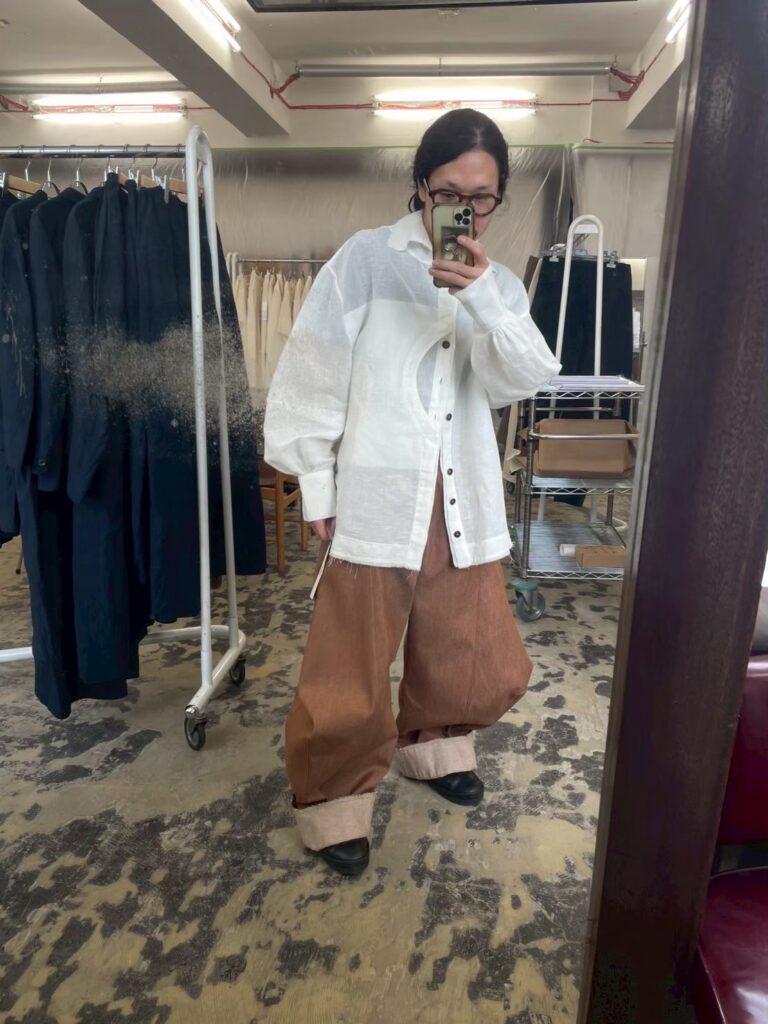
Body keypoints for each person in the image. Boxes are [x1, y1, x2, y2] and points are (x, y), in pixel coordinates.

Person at [264, 109, 562, 878]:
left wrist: (482, 296)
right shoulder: (365, 261)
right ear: (420, 187)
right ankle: (333, 798)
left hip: (463, 493)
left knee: (467, 644)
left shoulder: (498, 284)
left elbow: (525, 378)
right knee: (350, 659)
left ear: (499, 199)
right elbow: (313, 374)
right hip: (375, 490)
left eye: (482, 196)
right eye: (449, 192)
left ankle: (436, 747)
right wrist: (318, 482)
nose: (465, 210)